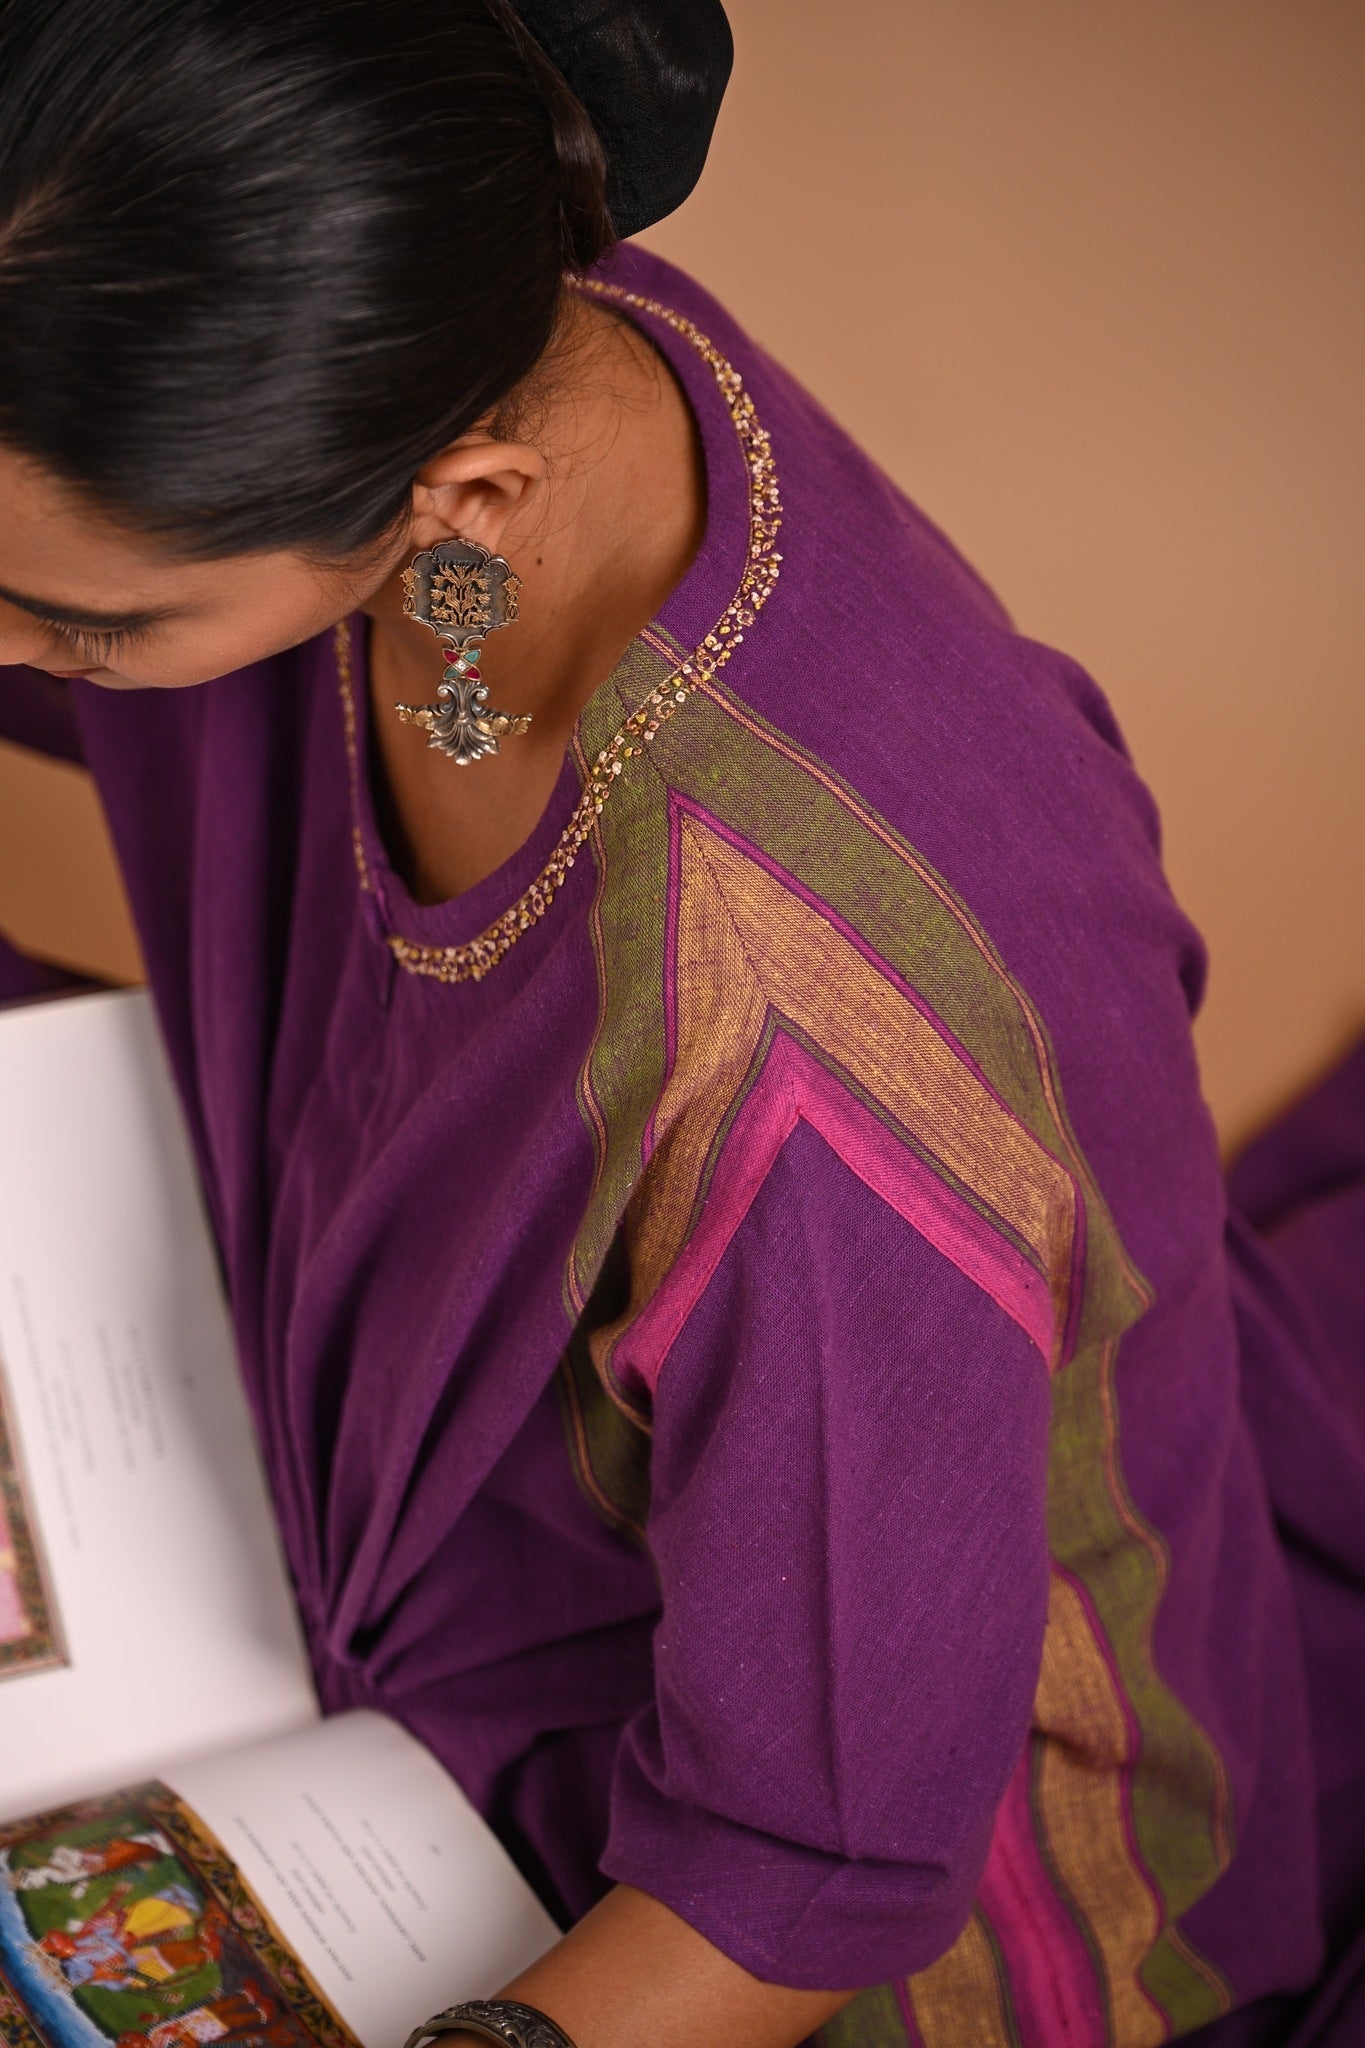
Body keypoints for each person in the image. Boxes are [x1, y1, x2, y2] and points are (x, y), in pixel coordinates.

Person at [0, 4, 1361, 2045]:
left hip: (817, 1885)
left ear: (457, 497)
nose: (24, 648)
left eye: (84, 627)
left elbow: (800, 1871)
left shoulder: (802, 1032)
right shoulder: (454, 337)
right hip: (422, 1524)